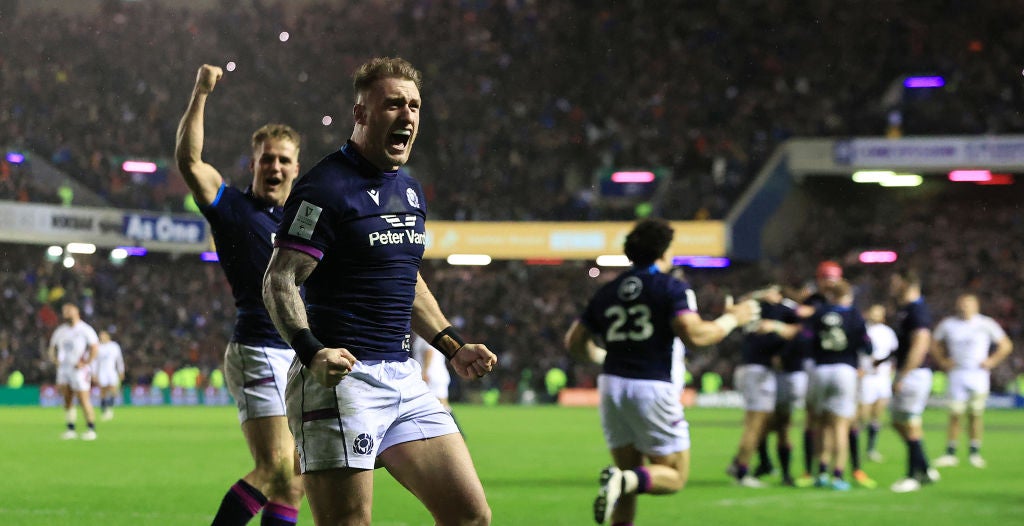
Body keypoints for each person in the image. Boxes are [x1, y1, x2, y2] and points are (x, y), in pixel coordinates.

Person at [262, 57, 497, 526]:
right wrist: (311, 352)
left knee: (470, 515)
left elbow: (405, 280)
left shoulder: (410, 192)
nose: (407, 115)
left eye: (414, 105)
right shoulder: (323, 188)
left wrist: (452, 344)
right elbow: (280, 279)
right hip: (339, 382)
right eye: (393, 104)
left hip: (403, 378)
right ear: (361, 114)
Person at [564, 218, 760, 525]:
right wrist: (733, 319)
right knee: (673, 476)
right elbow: (695, 336)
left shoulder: (608, 291)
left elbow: (574, 342)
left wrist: (603, 355)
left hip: (612, 386)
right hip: (652, 387)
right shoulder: (671, 287)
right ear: (664, 251)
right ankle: (622, 481)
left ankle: (622, 482)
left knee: (631, 476)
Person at [175, 64, 304, 525]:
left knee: (296, 479)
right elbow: (190, 162)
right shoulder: (231, 207)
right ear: (254, 163)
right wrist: (201, 93)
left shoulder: (305, 221)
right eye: (266, 158)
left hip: (300, 355)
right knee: (274, 468)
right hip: (258, 347)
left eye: (283, 159)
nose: (274, 166)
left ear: (296, 167)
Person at [767, 280, 871, 491]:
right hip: (845, 370)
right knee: (840, 426)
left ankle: (821, 471)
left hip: (820, 370)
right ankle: (838, 475)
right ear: (848, 295)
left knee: (819, 423)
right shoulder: (855, 315)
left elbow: (805, 338)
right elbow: (867, 346)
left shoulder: (820, 312)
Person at [726, 285, 797, 488]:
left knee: (763, 423)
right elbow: (797, 327)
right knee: (754, 426)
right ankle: (742, 472)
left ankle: (740, 463)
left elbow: (739, 302)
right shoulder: (770, 311)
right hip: (758, 371)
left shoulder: (754, 308)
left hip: (749, 369)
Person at [930, 294, 1013, 469]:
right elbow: (933, 343)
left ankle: (974, 452)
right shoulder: (948, 324)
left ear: (976, 306)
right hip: (957, 373)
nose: (964, 307)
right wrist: (943, 361)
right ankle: (950, 453)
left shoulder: (985, 323)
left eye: (968, 304)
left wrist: (991, 361)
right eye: (961, 304)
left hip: (978, 374)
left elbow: (1006, 345)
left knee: (975, 414)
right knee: (955, 413)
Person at [888, 270, 939, 493]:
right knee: (899, 421)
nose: (891, 285)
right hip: (909, 372)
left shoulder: (917, 309)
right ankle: (925, 467)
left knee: (909, 422)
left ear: (907, 283)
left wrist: (904, 374)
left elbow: (921, 343)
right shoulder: (906, 309)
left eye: (895, 281)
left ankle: (913, 476)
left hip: (914, 374)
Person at [48, 302, 99, 440]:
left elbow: (95, 347)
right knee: (67, 399)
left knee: (83, 398)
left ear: (76, 311)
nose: (66, 312)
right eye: (64, 310)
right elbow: (52, 348)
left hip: (79, 370)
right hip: (64, 369)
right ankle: (70, 428)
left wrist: (86, 363)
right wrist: (55, 360)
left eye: (68, 310)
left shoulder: (85, 329)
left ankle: (91, 428)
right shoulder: (60, 331)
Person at [860, 304, 897, 463]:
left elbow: (893, 352)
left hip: (882, 378)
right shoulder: (863, 330)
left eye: (878, 312)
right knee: (862, 414)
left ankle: (871, 449)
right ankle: (852, 444)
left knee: (877, 414)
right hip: (867, 377)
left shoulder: (888, 332)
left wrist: (892, 368)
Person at [411, 333, 454, 411]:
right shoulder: (431, 336)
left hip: (431, 376)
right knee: (440, 406)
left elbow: (429, 351)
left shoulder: (425, 336)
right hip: (436, 374)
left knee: (441, 406)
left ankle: (453, 423)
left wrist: (424, 372)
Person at [93, 329, 125, 421]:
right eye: (100, 336)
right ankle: (104, 410)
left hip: (111, 372)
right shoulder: (98, 347)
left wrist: (121, 371)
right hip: (101, 372)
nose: (101, 337)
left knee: (113, 390)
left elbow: (119, 360)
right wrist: (94, 373)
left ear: (108, 336)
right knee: (103, 391)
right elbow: (95, 362)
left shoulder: (114, 346)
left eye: (103, 335)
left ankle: (109, 409)